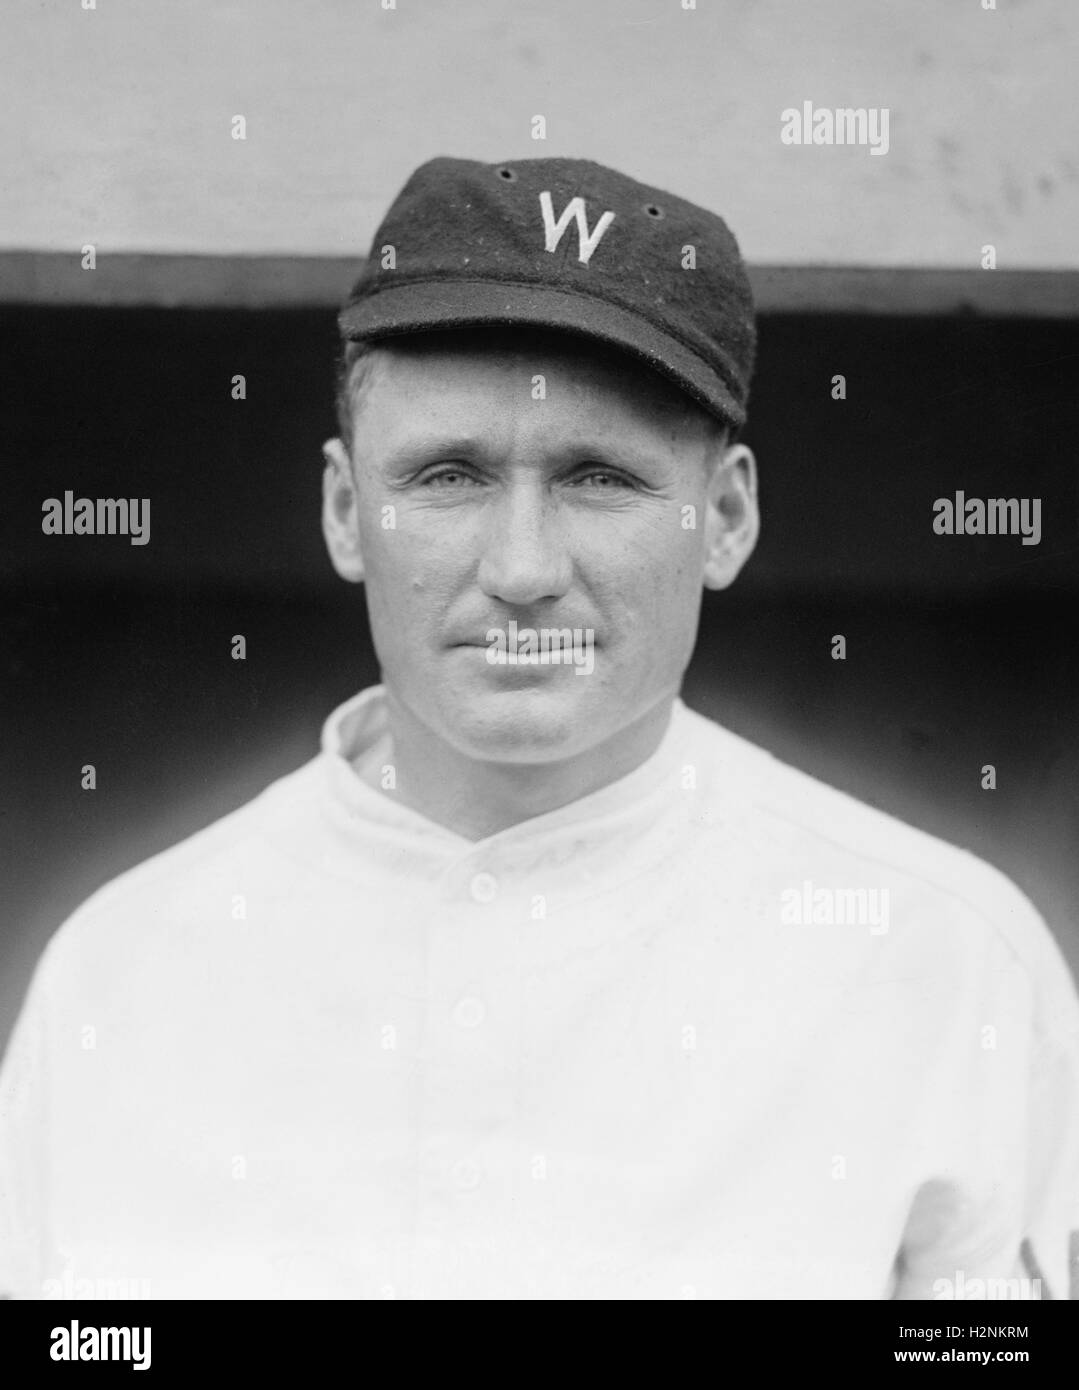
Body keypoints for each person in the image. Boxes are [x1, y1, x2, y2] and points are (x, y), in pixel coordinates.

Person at [1, 156, 1077, 1301]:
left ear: (723, 516)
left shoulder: (939, 958)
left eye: (600, 477)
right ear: (342, 511)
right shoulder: (125, 974)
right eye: (449, 473)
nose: (521, 569)